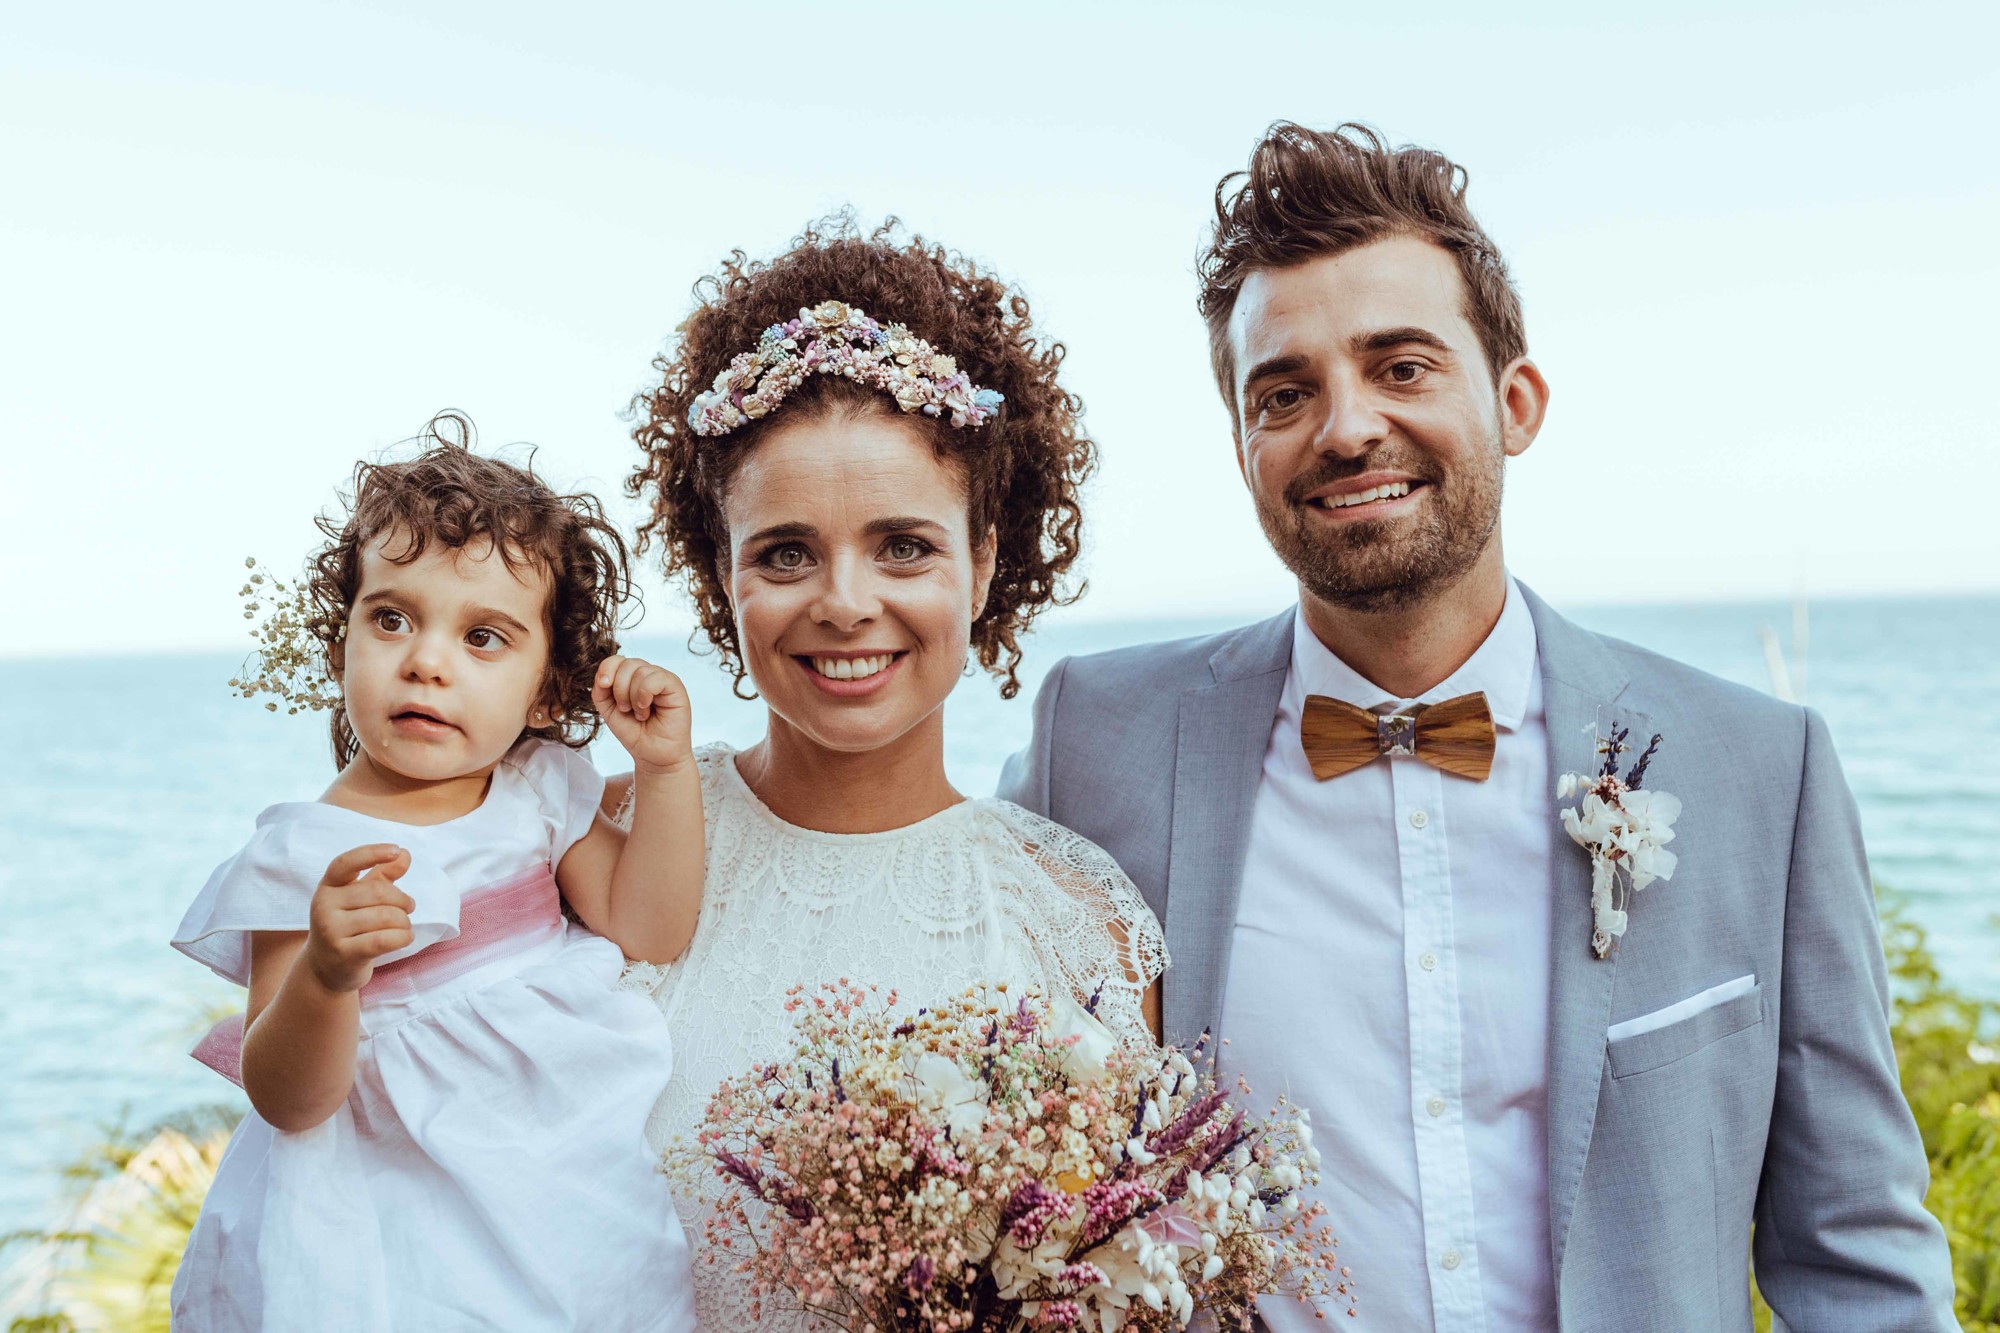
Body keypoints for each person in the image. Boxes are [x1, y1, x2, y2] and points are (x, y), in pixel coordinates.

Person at [999, 123, 1958, 1331]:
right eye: (1283, 392)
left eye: (1400, 366)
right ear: (1241, 447)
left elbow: (1855, 1259)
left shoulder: (1759, 773)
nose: (1344, 428)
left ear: (1514, 402)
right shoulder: (1095, 743)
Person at [614, 218, 1167, 1331]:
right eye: (784, 552)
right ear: (720, 580)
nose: (844, 602)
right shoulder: (610, 854)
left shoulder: (1077, 923)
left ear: (983, 562)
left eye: (903, 545)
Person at [169, 421, 702, 1332]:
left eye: (484, 637)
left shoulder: (536, 787)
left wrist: (664, 771)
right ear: (341, 643)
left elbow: (647, 926)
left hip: (555, 1168)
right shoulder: (302, 852)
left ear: (546, 690)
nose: (425, 658)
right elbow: (288, 1096)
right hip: (382, 1202)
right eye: (390, 617)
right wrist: (328, 975)